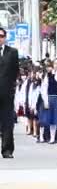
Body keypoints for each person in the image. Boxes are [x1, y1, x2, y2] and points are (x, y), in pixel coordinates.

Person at [0, 26, 19, 158]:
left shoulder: (12, 52)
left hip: (7, 92)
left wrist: (11, 87)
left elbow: (15, 71)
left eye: (1, 36)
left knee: (7, 122)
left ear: (5, 38)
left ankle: (7, 150)